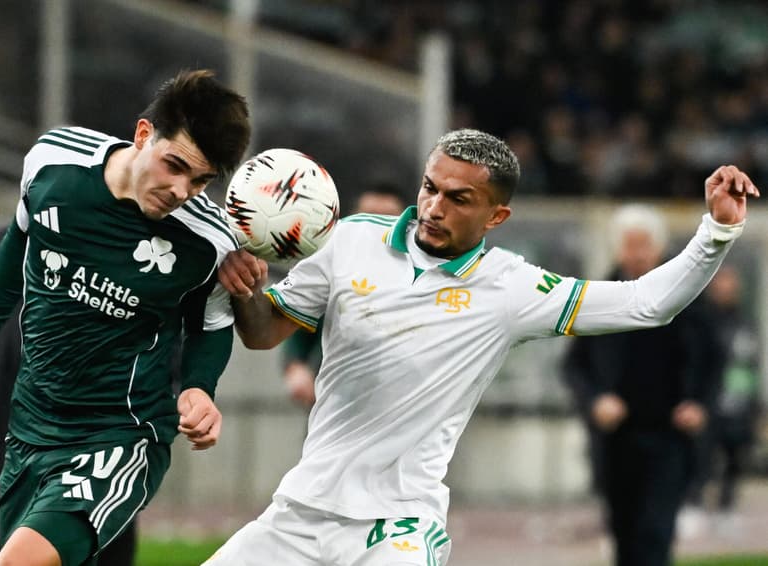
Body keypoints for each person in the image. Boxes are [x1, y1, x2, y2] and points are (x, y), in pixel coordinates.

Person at [213, 128, 758, 566]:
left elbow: (646, 303)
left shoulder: (510, 288)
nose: (433, 207)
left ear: (496, 217)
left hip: (396, 528)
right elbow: (262, 333)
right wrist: (242, 284)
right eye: (430, 187)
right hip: (301, 509)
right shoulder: (353, 240)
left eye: (459, 198)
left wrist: (715, 232)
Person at [0, 69, 251, 566]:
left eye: (201, 180)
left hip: (119, 438)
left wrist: (198, 388)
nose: (182, 190)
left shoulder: (208, 242)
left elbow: (210, 325)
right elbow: (20, 244)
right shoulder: (53, 162)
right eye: (175, 166)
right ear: (144, 135)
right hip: (29, 427)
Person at [0, 228, 138, 566]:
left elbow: (161, 336)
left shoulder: (130, 245)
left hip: (100, 438)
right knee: (7, 548)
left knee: (104, 543)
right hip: (9, 439)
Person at [562, 204, 722, 566]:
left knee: (656, 529)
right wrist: (596, 401)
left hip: (670, 436)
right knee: (623, 531)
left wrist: (699, 403)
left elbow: (715, 360)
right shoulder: (599, 297)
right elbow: (574, 366)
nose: (635, 255)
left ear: (659, 248)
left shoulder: (689, 297)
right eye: (628, 246)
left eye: (643, 246)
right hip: (617, 438)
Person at [281, 183, 406, 407]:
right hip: (335, 404)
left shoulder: (422, 276)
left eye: (387, 218)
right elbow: (297, 325)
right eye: (369, 217)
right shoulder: (334, 267)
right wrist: (296, 367)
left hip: (403, 405)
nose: (376, 228)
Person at [705, 264, 762, 517]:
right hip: (709, 402)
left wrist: (756, 405)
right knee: (704, 456)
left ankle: (727, 507)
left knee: (735, 457)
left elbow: (752, 365)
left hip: (738, 404)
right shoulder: (703, 322)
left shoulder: (745, 322)